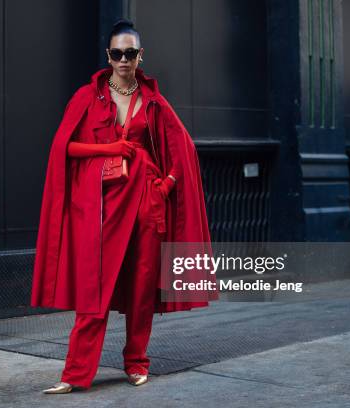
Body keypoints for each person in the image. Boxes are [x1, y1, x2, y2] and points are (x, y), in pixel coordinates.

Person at [31, 19, 219, 393]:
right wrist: (110, 149)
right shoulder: (87, 97)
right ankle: (74, 374)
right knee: (93, 289)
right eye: (116, 53)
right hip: (101, 208)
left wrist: (164, 187)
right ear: (108, 55)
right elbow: (64, 148)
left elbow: (184, 150)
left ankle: (136, 362)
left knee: (142, 288)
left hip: (146, 208)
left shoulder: (152, 101)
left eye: (129, 53)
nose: (122, 59)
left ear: (140, 56)